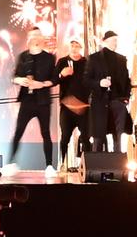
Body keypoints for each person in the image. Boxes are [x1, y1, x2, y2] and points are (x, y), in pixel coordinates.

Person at [8, 31, 58, 171]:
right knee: (18, 132)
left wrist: (41, 84)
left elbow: (54, 79)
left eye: (37, 35)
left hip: (43, 101)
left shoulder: (49, 57)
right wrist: (19, 80)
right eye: (32, 35)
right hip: (27, 100)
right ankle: (11, 162)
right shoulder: (23, 56)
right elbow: (14, 76)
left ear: (41, 38)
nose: (34, 38)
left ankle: (49, 165)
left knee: (45, 133)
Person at [88, 31, 133, 154]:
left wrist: (126, 98)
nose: (115, 43)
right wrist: (99, 83)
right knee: (99, 135)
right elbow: (86, 80)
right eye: (113, 40)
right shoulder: (94, 58)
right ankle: (97, 164)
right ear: (105, 41)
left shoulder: (121, 59)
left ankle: (118, 163)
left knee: (118, 135)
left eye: (116, 40)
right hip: (100, 102)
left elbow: (126, 80)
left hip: (117, 101)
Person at [55, 38, 91, 167]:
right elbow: (54, 80)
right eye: (72, 45)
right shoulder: (62, 62)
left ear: (81, 47)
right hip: (67, 108)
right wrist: (62, 74)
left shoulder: (87, 63)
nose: (74, 48)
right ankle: (62, 164)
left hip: (83, 108)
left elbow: (92, 82)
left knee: (86, 139)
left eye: (77, 45)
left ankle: (86, 166)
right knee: (65, 138)